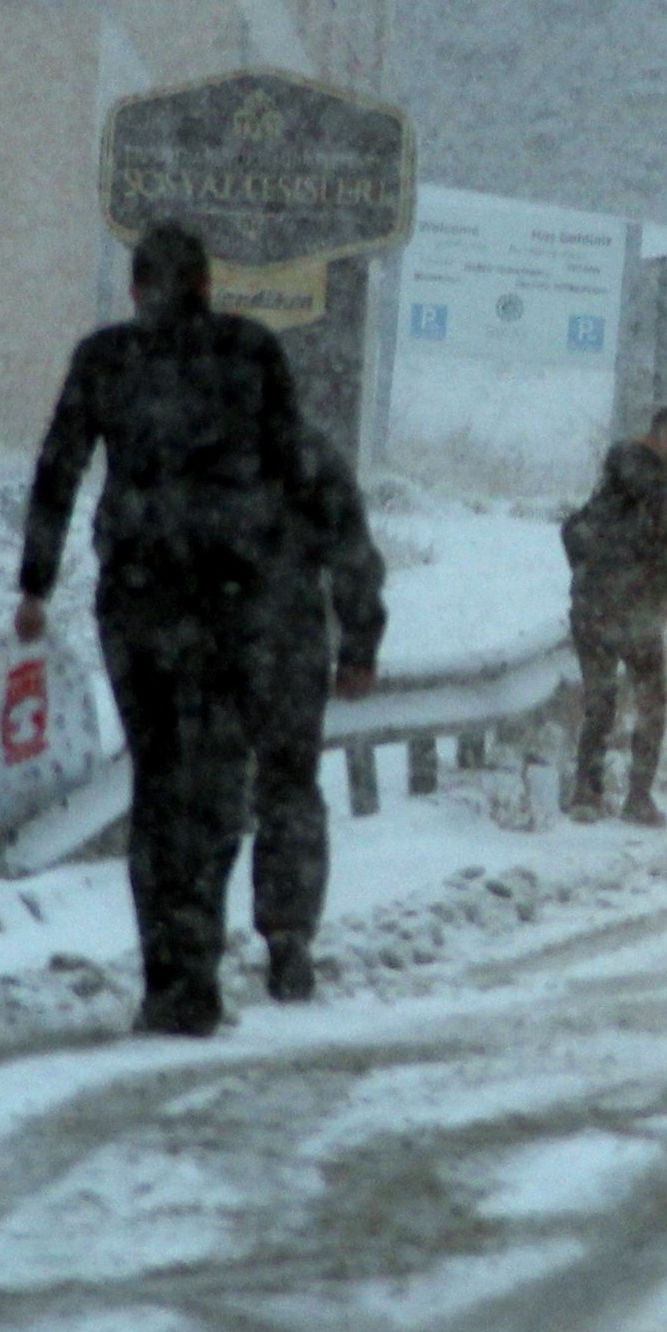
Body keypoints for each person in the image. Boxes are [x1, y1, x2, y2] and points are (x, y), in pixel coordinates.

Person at [14, 222, 316, 1037]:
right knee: (216, 780)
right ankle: (198, 960)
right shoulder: (251, 352)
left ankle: (165, 973)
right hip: (230, 596)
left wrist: (35, 579)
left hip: (139, 598)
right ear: (208, 285)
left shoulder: (106, 357)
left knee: (157, 782)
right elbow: (294, 469)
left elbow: (60, 467)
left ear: (138, 287)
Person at [248, 427, 386, 1003]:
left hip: (197, 642)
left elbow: (128, 537)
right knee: (288, 788)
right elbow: (354, 554)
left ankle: (182, 950)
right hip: (287, 642)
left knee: (191, 799)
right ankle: (287, 935)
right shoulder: (308, 451)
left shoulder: (178, 443)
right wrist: (358, 644)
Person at [560, 406, 667, 821]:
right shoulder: (652, 478)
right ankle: (635, 797)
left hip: (597, 608)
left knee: (602, 703)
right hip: (628, 612)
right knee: (649, 703)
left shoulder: (619, 477)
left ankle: (588, 793)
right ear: (654, 436)